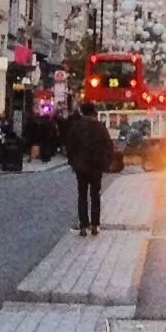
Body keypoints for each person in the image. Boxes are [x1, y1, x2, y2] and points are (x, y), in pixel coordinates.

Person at [62, 100, 108, 236]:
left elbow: (70, 146)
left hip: (81, 166)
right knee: (95, 195)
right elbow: (107, 145)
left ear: (81, 111)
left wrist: (72, 162)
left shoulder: (76, 127)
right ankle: (95, 224)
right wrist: (105, 162)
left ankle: (83, 225)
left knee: (82, 195)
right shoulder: (99, 127)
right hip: (96, 166)